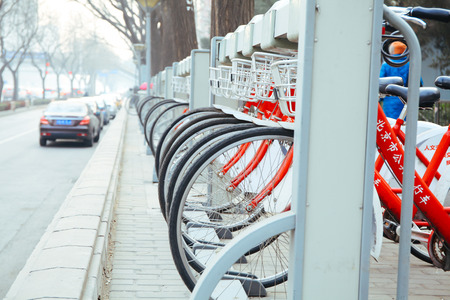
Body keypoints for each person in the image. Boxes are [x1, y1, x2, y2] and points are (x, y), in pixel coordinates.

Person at [379, 41, 422, 119]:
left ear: (391, 51)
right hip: (406, 100)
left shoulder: (386, 65)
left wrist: (380, 99)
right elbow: (419, 83)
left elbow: (380, 84)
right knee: (404, 124)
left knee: (390, 125)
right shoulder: (410, 64)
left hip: (389, 102)